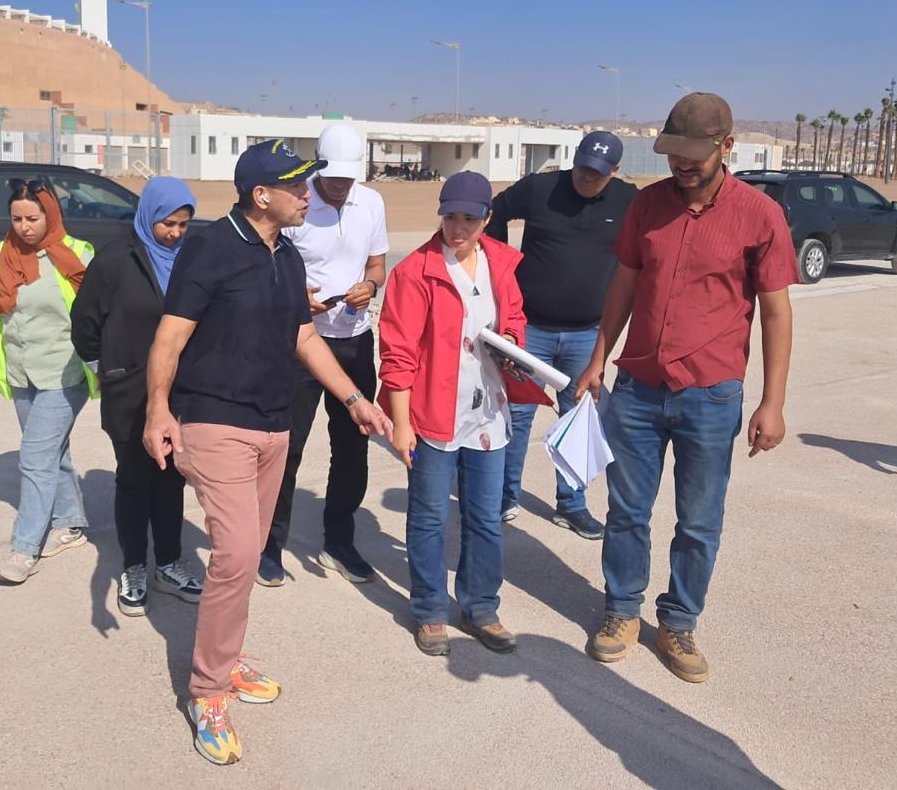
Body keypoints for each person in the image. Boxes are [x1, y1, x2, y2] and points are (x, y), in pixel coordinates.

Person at [143, 139, 392, 766]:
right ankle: (208, 691)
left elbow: (304, 336)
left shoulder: (286, 255)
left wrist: (354, 397)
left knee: (249, 552)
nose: (307, 195)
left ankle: (226, 658)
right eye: (297, 186)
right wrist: (158, 409)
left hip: (273, 424)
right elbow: (170, 337)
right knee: (233, 555)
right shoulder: (210, 248)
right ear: (262, 195)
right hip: (215, 421)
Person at [575, 92, 796, 684]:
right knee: (626, 510)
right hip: (638, 388)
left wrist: (772, 402)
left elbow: (776, 312)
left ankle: (678, 621)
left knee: (699, 520)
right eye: (674, 152)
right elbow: (624, 285)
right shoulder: (646, 206)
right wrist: (598, 359)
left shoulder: (760, 215)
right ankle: (622, 611)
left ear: (727, 147)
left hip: (711, 394)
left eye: (694, 154)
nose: (681, 164)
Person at [378, 171, 550, 658]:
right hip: (434, 415)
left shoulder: (501, 264)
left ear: (487, 219)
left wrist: (511, 341)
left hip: (489, 414)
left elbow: (515, 317)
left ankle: (480, 607)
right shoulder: (415, 272)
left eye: (469, 220)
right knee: (430, 516)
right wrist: (402, 424)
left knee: (485, 518)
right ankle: (430, 610)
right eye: (449, 217)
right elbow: (397, 354)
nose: (457, 228)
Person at [486, 131, 638, 538]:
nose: (588, 177)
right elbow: (494, 210)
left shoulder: (628, 200)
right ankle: (504, 497)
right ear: (575, 159)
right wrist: (500, 264)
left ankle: (571, 504)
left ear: (615, 171)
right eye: (583, 168)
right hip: (530, 329)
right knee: (517, 416)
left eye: (598, 173)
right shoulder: (540, 188)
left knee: (579, 419)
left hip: (587, 334)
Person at [259, 124, 389, 587]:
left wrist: (370, 285)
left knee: (353, 446)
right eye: (333, 176)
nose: (340, 185)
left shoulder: (371, 202)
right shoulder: (296, 202)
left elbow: (377, 264)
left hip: (355, 340)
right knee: (287, 446)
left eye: (348, 178)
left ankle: (339, 541)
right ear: (317, 163)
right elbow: (268, 265)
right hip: (300, 342)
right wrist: (295, 298)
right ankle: (268, 545)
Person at [70, 176, 204, 615]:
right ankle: (133, 566)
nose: (176, 233)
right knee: (134, 481)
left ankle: (168, 563)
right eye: (168, 224)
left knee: (170, 479)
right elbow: (84, 323)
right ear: (149, 217)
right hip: (129, 393)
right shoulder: (116, 260)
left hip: (181, 392)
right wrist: (107, 372)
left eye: (184, 224)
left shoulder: (192, 259)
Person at [0, 179, 98, 585]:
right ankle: (69, 523)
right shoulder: (5, 253)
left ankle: (24, 550)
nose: (24, 227)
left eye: (32, 218)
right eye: (16, 219)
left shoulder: (76, 255)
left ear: (51, 214)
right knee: (52, 451)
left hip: (64, 373)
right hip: (21, 372)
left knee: (35, 458)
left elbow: (100, 315)